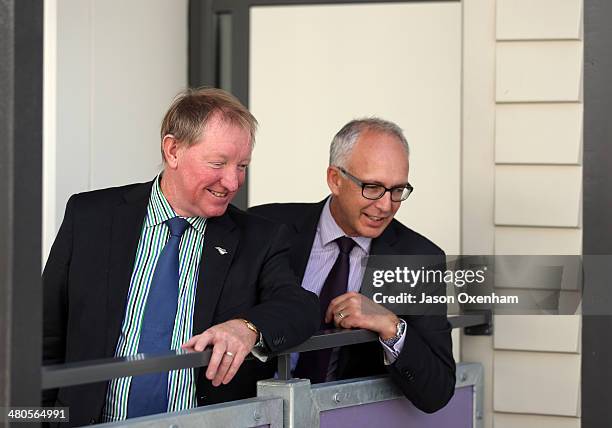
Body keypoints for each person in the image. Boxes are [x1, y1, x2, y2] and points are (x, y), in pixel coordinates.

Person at [42, 87, 320, 425]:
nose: (232, 182)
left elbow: (300, 307)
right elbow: (45, 337)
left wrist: (248, 327)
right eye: (218, 163)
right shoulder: (91, 217)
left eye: (242, 166)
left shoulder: (260, 238)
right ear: (173, 150)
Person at [249, 118, 455, 413]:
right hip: (252, 413)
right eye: (372, 187)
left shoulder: (419, 258)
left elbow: (437, 390)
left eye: (397, 190)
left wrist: (391, 326)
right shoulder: (266, 226)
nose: (386, 206)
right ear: (335, 179)